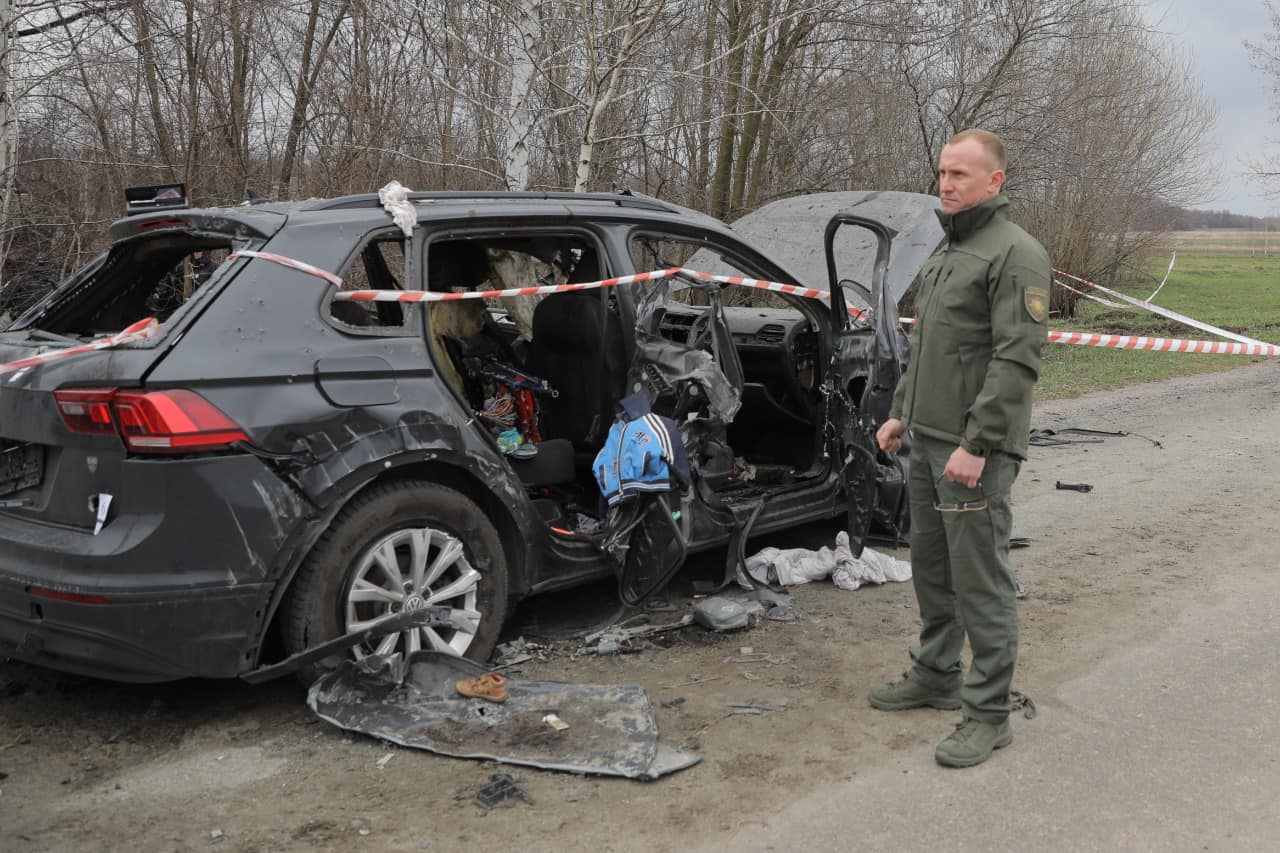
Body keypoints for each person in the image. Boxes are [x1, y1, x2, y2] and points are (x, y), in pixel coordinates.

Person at [870, 128, 1050, 768]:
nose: (946, 185)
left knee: (980, 581)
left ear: (995, 182)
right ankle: (937, 672)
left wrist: (977, 444)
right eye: (942, 174)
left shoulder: (1015, 254)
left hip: (974, 451)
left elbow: (1015, 361)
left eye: (960, 176)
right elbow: (932, 349)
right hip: (928, 443)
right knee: (933, 569)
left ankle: (988, 712)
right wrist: (900, 416)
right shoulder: (950, 250)